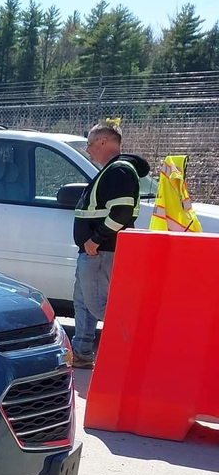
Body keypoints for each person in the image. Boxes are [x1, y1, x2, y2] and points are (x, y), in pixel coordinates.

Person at [70, 122, 150, 368]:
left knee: (100, 307)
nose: (88, 149)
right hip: (95, 252)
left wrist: (96, 239)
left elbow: (122, 212)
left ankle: (142, 348)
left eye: (90, 144)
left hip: (101, 251)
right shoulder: (112, 170)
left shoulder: (119, 171)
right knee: (83, 304)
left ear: (104, 141)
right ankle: (81, 353)